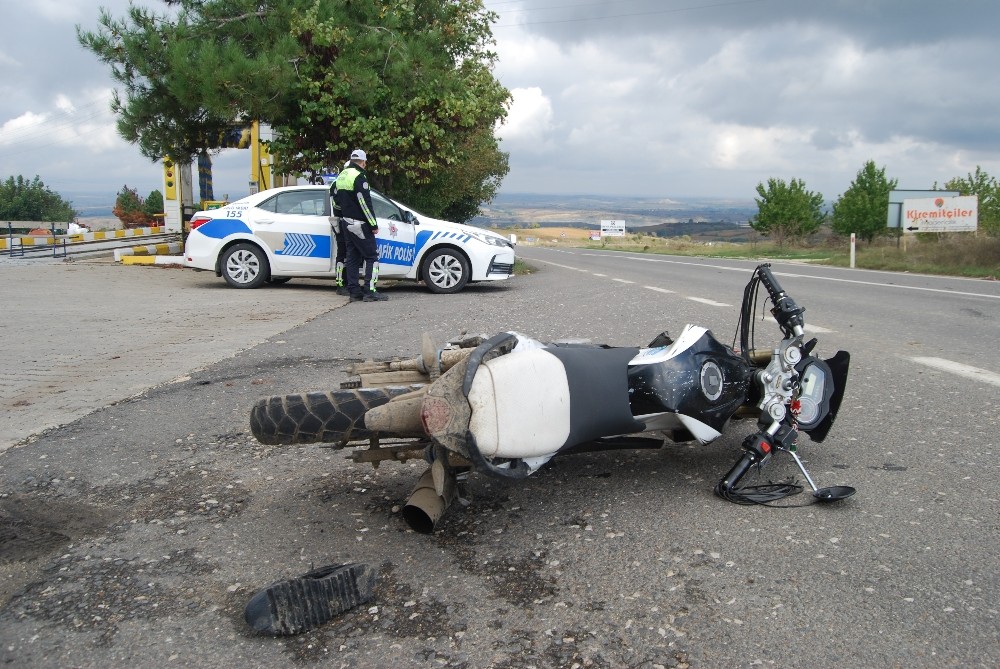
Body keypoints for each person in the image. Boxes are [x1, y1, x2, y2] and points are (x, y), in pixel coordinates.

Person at [334, 149, 387, 302]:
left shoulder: (341, 176)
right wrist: (373, 224)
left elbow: (336, 202)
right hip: (360, 223)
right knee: (372, 256)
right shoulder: (359, 177)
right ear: (363, 162)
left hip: (346, 221)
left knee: (352, 257)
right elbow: (364, 204)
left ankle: (354, 292)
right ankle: (370, 291)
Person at [328, 161, 351, 296]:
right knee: (342, 253)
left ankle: (348, 282)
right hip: (340, 222)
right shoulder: (337, 184)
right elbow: (337, 205)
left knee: (349, 254)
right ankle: (340, 284)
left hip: (347, 221)